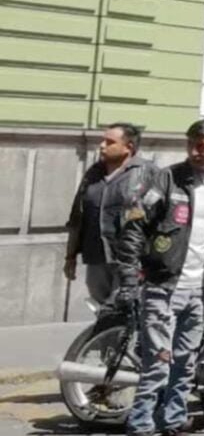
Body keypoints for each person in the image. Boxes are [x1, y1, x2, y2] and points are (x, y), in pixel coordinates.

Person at [116, 119, 204, 436]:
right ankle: (140, 424)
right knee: (158, 363)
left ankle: (173, 420)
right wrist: (129, 274)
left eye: (203, 146)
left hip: (200, 292)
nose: (195, 151)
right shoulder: (167, 179)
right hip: (163, 287)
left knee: (185, 363)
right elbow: (135, 223)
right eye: (191, 144)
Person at [64, 123, 157, 306]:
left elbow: (159, 219)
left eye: (110, 142)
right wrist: (70, 256)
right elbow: (77, 216)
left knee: (122, 309)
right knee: (101, 307)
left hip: (130, 260)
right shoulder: (93, 173)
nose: (102, 146)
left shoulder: (148, 173)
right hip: (96, 256)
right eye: (103, 141)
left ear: (128, 147)